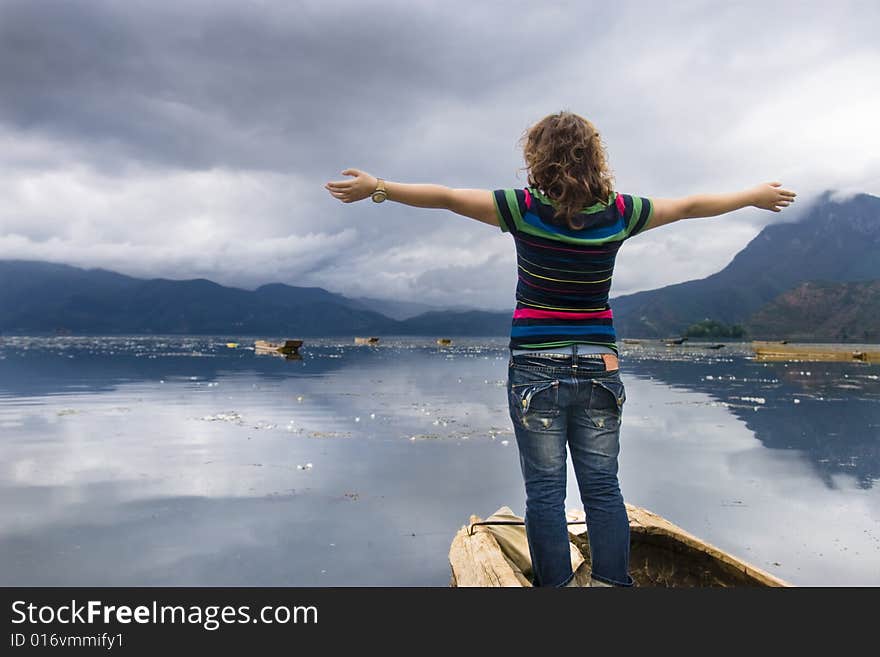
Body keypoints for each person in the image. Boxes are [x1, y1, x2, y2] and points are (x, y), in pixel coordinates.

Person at [325, 110, 796, 587]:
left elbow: (447, 198)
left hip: (535, 368)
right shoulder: (621, 213)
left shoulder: (523, 208)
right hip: (598, 367)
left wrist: (379, 187)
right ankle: (612, 586)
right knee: (603, 489)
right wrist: (751, 197)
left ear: (537, 157)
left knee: (545, 494)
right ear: (595, 158)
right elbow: (691, 205)